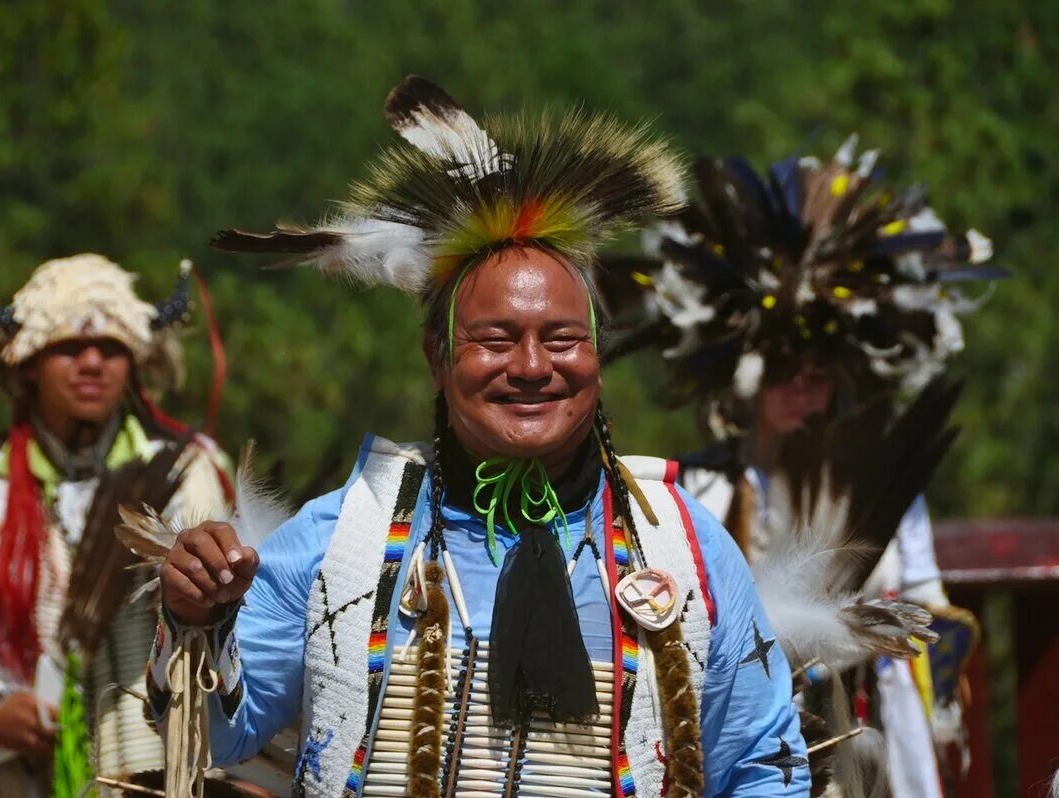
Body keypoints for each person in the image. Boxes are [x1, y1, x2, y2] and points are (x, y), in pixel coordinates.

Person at [145, 76, 811, 797]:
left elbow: (761, 769)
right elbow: (212, 733)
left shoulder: (687, 554)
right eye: (495, 340)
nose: (531, 367)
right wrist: (193, 620)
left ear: (597, 357)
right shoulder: (343, 539)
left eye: (561, 339)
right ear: (439, 358)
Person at [599, 138, 999, 796]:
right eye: (783, 372)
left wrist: (902, 639)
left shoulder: (886, 492)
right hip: (734, 743)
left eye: (817, 376)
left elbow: (935, 616)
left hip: (864, 745)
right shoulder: (694, 490)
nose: (801, 392)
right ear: (746, 381)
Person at [0, 254, 233, 796]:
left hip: (166, 770)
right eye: (67, 347)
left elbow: (250, 630)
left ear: (136, 360)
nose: (92, 362)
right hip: (16, 777)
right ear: (26, 363)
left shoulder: (193, 476)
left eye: (112, 348)